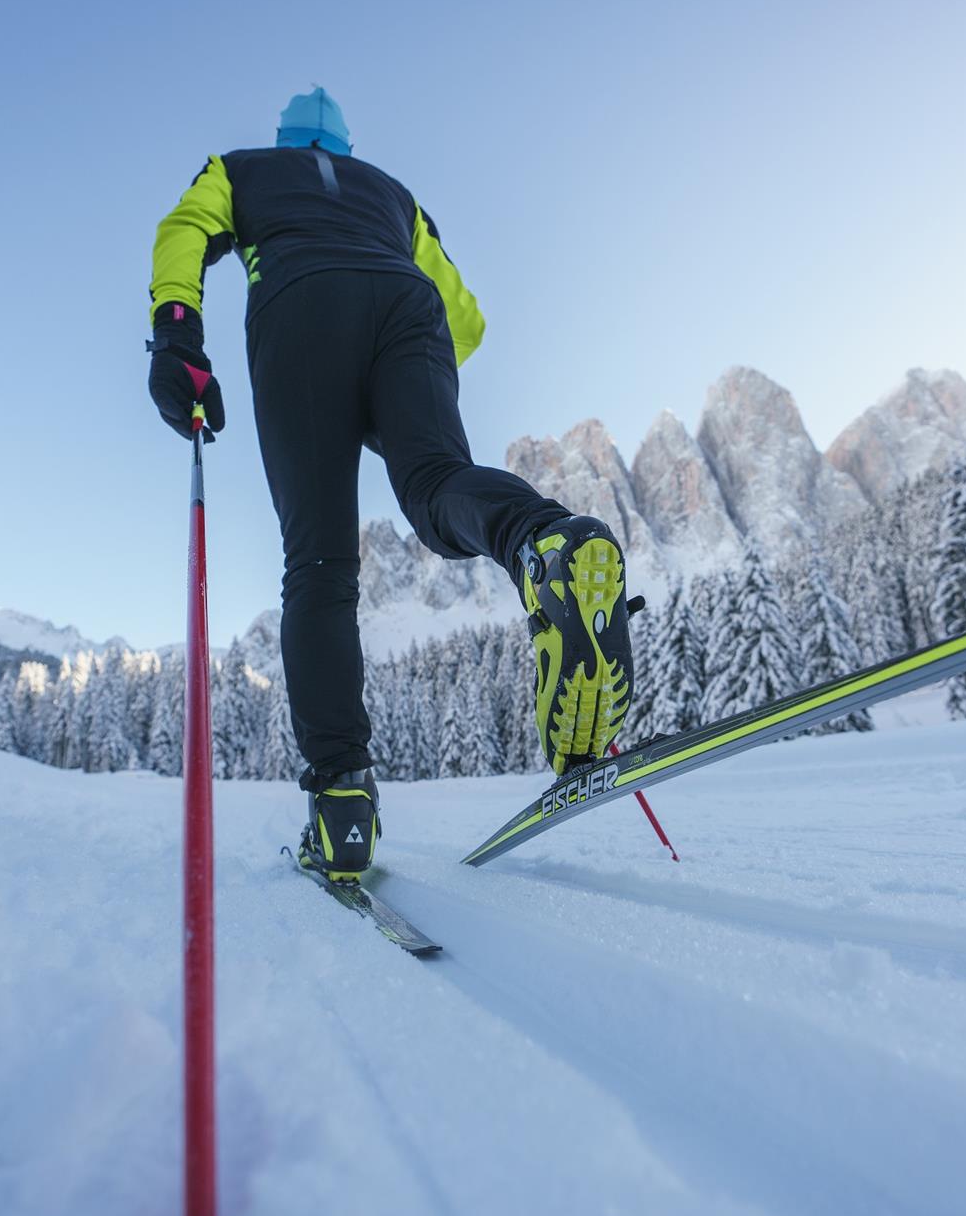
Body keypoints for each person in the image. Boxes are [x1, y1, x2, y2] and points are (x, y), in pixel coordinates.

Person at [147, 86, 634, 883]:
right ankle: (542, 541)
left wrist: (178, 338)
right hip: (410, 311)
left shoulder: (238, 170)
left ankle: (342, 799)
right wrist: (398, 401)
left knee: (319, 565)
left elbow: (184, 229)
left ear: (287, 138)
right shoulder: (395, 197)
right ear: (343, 146)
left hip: (300, 311)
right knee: (435, 478)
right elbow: (466, 318)